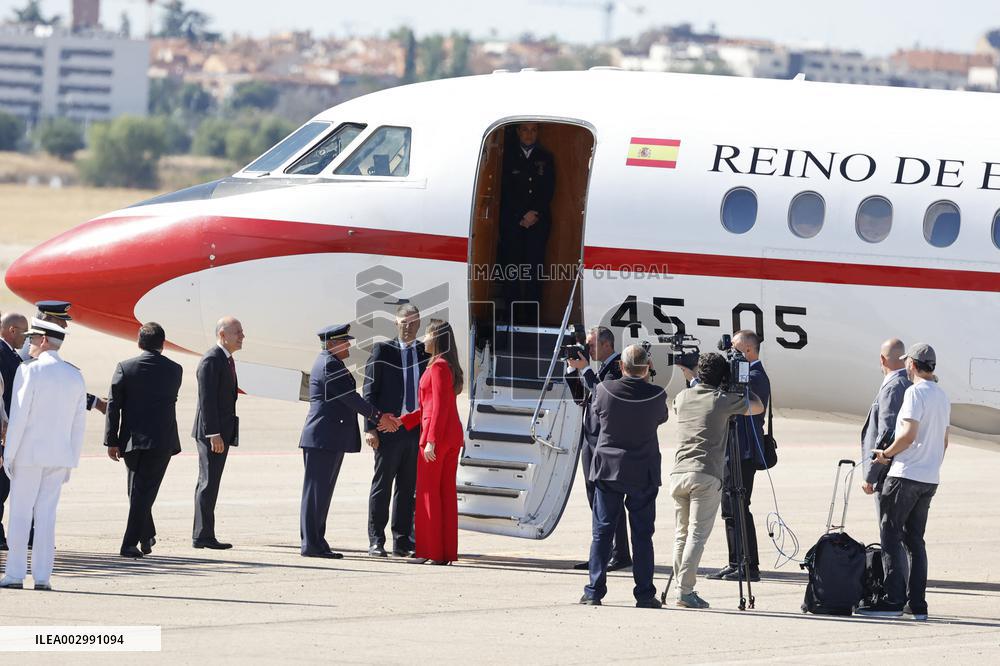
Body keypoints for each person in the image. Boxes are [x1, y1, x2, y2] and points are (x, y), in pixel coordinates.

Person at [858, 343, 949, 621]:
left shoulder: (914, 393)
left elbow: (908, 434)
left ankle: (893, 600)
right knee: (915, 541)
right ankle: (917, 605)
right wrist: (930, 464)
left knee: (890, 534)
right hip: (929, 478)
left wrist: (885, 454)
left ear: (912, 364)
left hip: (905, 474)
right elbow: (944, 440)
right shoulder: (942, 395)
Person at [670, 353, 764, 609]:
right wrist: (741, 386)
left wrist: (694, 380)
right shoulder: (721, 401)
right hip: (705, 474)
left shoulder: (682, 397)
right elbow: (757, 407)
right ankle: (685, 591)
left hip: (678, 474)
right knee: (697, 536)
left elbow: (681, 403)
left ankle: (680, 585)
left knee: (681, 534)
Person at [0, 319, 86, 590]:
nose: (30, 344)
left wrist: (9, 454)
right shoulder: (74, 374)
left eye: (34, 339)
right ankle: (42, 577)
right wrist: (71, 460)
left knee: (21, 515)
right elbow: (77, 425)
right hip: (59, 457)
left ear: (45, 341)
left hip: (29, 455)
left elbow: (19, 418)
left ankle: (15, 574)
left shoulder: (30, 371)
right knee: (47, 518)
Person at [299, 324, 398, 559]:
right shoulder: (329, 364)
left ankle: (317, 541)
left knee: (321, 494)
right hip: (323, 438)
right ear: (332, 343)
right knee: (316, 494)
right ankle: (311, 544)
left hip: (328, 438)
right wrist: (378, 417)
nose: (349, 346)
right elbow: (350, 398)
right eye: (345, 342)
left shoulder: (329, 362)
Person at [579, 345, 666, 608]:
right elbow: (661, 418)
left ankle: (594, 590)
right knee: (642, 534)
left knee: (602, 531)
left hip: (610, 468)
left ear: (621, 366)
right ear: (648, 367)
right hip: (643, 469)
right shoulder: (656, 394)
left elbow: (596, 417)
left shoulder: (604, 390)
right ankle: (644, 593)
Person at [104, 322, 183, 558]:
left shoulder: (125, 368)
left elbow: (113, 405)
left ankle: (131, 542)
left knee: (138, 492)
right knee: (142, 492)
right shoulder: (175, 369)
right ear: (163, 344)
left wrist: (112, 440)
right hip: (161, 440)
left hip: (131, 440)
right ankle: (144, 535)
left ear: (140, 343)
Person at [363, 304, 429, 557]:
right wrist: (370, 428)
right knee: (382, 485)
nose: (408, 327)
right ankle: (376, 540)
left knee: (407, 487)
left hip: (414, 431)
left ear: (419, 323)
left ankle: (402, 540)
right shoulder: (383, 350)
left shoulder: (425, 352)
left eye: (412, 322)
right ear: (395, 323)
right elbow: (369, 391)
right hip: (388, 429)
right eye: (403, 322)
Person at [397, 319, 465, 565]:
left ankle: (429, 551)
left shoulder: (436, 368)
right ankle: (445, 552)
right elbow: (433, 407)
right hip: (451, 437)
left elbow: (436, 409)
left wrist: (430, 441)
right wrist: (403, 421)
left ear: (436, 339)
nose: (423, 339)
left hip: (436, 437)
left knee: (427, 493)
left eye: (426, 335)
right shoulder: (447, 366)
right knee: (445, 495)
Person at [566, 325, 630, 571]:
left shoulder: (616, 368)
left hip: (604, 442)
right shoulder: (601, 368)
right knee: (595, 498)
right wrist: (574, 369)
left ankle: (618, 552)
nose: (588, 349)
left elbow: (604, 395)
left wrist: (587, 371)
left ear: (606, 345)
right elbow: (581, 397)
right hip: (590, 439)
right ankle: (604, 551)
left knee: (608, 500)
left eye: (592, 345)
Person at [708, 329, 769, 583]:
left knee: (739, 507)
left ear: (749, 351)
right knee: (730, 509)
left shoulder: (755, 376)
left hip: (742, 452)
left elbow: (738, 404)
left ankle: (748, 565)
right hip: (732, 450)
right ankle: (736, 562)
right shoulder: (743, 374)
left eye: (735, 348)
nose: (731, 353)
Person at [191, 316, 244, 550]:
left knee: (211, 482)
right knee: (208, 482)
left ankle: (204, 532)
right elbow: (207, 400)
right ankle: (202, 535)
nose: (242, 336)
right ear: (223, 334)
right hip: (211, 434)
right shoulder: (212, 360)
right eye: (238, 332)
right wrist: (213, 434)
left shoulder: (225, 359)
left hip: (220, 431)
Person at [497, 122, 556, 320]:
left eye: (533, 130)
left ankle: (531, 317)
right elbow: (505, 190)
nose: (529, 134)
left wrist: (534, 213)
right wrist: (521, 215)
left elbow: (548, 189)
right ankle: (512, 315)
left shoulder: (546, 157)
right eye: (524, 129)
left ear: (538, 132)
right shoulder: (506, 157)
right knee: (512, 269)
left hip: (537, 223)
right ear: (517, 132)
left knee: (534, 270)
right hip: (513, 222)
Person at [21, 302, 106, 414]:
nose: (65, 325)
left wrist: (96, 402)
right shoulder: (30, 351)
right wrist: (96, 403)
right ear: (47, 320)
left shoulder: (39, 346)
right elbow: (54, 386)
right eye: (60, 319)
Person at [861, 338, 911, 514]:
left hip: (889, 475)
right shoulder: (911, 383)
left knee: (890, 534)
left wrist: (871, 475)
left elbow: (887, 434)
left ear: (882, 360)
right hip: (913, 473)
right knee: (910, 536)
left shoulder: (892, 388)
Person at [0, 311, 27, 551]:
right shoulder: (1, 354)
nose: (26, 338)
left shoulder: (11, 354)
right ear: (12, 330)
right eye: (23, 332)